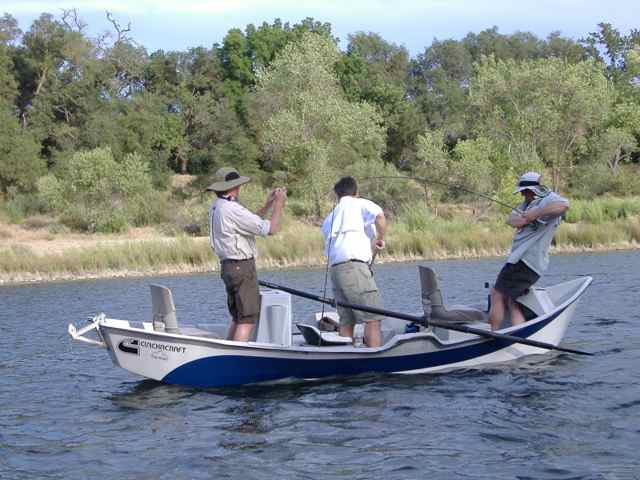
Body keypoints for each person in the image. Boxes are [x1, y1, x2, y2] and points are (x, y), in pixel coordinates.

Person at [207, 167, 287, 342]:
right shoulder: (231, 208)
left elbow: (251, 222)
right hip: (241, 267)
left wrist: (268, 204)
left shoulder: (217, 206)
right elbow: (270, 229)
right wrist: (279, 204)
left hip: (228, 267)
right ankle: (235, 360)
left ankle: (228, 357)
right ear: (234, 187)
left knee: (238, 317)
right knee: (248, 319)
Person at [489, 171, 569, 331]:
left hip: (524, 261)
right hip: (523, 262)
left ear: (533, 189)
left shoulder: (549, 199)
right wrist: (525, 218)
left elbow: (564, 205)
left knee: (496, 294)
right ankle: (518, 333)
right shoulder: (525, 204)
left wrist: (536, 213)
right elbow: (511, 220)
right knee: (513, 300)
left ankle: (494, 334)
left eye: (525, 192)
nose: (523, 195)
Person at [321, 176, 387, 347]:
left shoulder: (330, 217)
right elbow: (380, 216)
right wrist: (380, 238)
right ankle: (375, 359)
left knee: (347, 320)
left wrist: (371, 250)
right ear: (356, 192)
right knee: (373, 317)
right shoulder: (359, 204)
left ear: (338, 195)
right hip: (354, 268)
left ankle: (347, 356)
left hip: (336, 271)